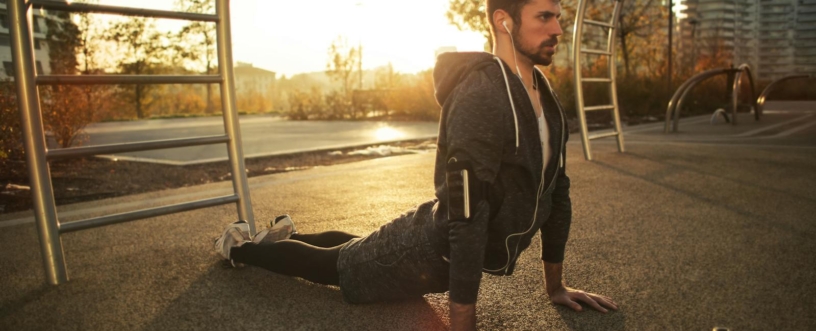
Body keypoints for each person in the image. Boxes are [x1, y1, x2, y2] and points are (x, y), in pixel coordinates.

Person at [213, 0, 617, 329]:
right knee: (335, 265)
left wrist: (556, 287)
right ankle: (241, 247)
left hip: (426, 241)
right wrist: (463, 324)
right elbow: (466, 212)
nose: (558, 29)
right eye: (544, 17)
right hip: (423, 251)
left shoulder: (545, 97)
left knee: (356, 249)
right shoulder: (482, 95)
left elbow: (556, 194)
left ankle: (283, 234)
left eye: (558, 17)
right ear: (504, 21)